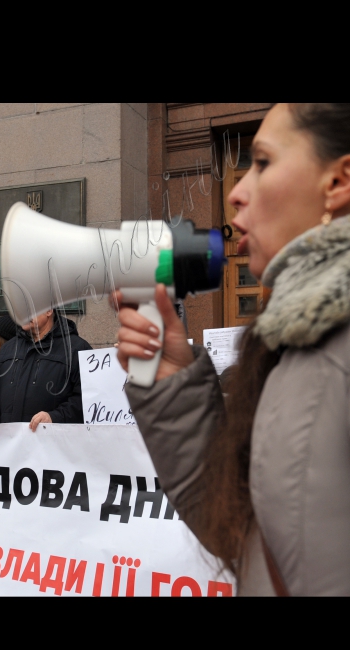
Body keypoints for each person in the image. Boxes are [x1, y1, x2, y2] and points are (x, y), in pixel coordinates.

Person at [116, 103, 350, 596]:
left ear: (339, 181)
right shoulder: (296, 343)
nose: (237, 193)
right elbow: (242, 532)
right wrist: (174, 382)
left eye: (261, 162)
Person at [0, 308, 91, 431]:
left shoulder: (77, 348)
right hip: (9, 444)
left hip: (52, 443)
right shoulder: (8, 349)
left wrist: (54, 417)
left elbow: (87, 399)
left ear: (48, 311)